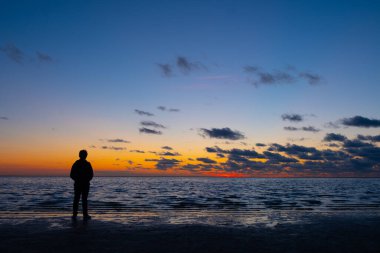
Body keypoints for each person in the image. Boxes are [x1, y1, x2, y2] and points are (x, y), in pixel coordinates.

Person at [70, 149, 94, 219]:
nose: (84, 156)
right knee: (79, 199)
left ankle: (83, 214)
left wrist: (85, 180)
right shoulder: (77, 163)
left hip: (84, 184)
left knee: (81, 199)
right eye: (83, 154)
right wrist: (78, 180)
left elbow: (91, 175)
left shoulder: (87, 164)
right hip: (80, 184)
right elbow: (72, 174)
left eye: (84, 155)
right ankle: (76, 214)